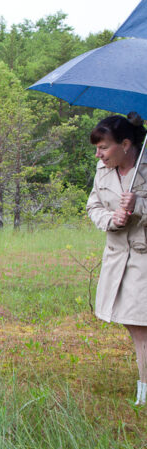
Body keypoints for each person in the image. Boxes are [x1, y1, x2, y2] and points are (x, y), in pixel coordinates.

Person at [86, 112, 147, 405]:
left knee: (140, 325)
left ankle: (144, 392)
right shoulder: (103, 170)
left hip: (143, 258)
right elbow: (93, 206)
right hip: (117, 258)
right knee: (132, 323)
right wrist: (113, 218)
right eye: (97, 149)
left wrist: (140, 206)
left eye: (104, 147)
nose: (99, 154)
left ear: (125, 144)